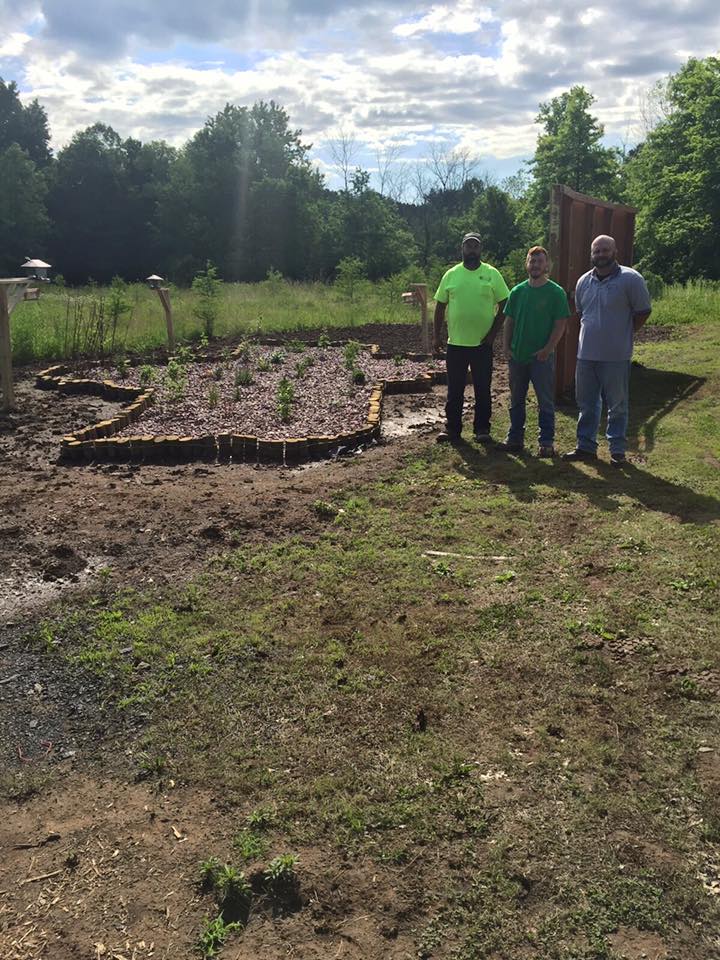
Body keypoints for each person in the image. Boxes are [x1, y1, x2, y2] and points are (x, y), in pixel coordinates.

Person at [562, 235, 652, 466]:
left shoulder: (631, 279)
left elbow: (642, 312)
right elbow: (582, 314)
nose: (601, 254)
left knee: (617, 405)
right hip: (586, 355)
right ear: (592, 254)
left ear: (615, 252)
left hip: (616, 356)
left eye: (605, 250)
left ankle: (618, 451)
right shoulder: (583, 282)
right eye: (597, 251)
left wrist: (624, 333)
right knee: (586, 404)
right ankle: (585, 447)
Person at [433, 232, 510, 444]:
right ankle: (452, 429)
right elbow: (440, 306)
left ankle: (482, 429)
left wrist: (493, 334)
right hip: (455, 344)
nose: (472, 250)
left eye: (475, 246)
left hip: (481, 344)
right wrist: (436, 336)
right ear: (462, 249)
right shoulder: (451, 275)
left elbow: (505, 303)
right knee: (455, 389)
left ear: (480, 249)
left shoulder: (492, 274)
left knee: (482, 388)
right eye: (468, 246)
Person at [496, 245, 570, 457]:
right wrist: (506, 346)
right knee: (516, 399)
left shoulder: (555, 292)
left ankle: (546, 442)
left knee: (545, 401)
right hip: (518, 356)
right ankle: (515, 438)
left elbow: (560, 324)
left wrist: (548, 349)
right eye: (532, 261)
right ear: (526, 264)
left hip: (542, 357)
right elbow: (509, 321)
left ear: (547, 265)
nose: (535, 265)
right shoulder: (517, 292)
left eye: (539, 261)